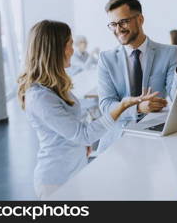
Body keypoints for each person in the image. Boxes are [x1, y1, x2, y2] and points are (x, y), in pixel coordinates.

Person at [17, 20, 159, 199]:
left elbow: (72, 129)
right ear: (54, 50)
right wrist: (122, 106)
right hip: (56, 181)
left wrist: (81, 144)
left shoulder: (54, 86)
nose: (72, 50)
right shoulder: (39, 97)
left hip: (74, 171)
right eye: (69, 44)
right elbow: (83, 134)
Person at [98, 0, 177, 122]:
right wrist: (138, 108)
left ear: (140, 19)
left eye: (123, 22)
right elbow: (106, 106)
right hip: (118, 132)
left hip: (154, 126)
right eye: (113, 24)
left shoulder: (168, 53)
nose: (118, 29)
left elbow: (176, 99)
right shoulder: (106, 59)